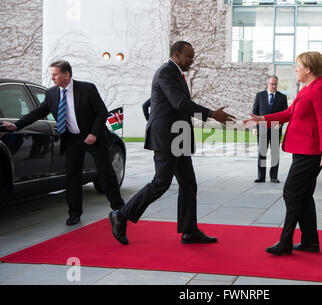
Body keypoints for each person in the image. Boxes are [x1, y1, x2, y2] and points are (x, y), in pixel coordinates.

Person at [109, 41, 235, 245]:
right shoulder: (166, 72)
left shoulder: (174, 73)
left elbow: (152, 104)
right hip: (168, 138)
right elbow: (180, 103)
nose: (192, 61)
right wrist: (212, 113)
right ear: (176, 55)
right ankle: (121, 216)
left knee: (188, 184)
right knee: (161, 183)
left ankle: (189, 230)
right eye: (189, 57)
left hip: (179, 136)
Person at [1, 60, 125, 226]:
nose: (52, 77)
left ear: (66, 75)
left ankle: (120, 210)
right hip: (73, 139)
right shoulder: (52, 93)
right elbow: (38, 112)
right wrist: (16, 125)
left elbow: (102, 113)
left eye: (55, 74)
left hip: (94, 137)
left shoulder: (87, 89)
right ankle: (74, 214)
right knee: (72, 177)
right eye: (51, 74)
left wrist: (93, 134)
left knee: (106, 174)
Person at [244, 51, 322, 256]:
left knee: (291, 192)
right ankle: (310, 241)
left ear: (308, 68)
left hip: (311, 152)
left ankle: (286, 241)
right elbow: (289, 113)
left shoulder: (320, 89)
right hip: (302, 150)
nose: (296, 69)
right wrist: (262, 119)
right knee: (303, 195)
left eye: (298, 65)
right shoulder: (307, 88)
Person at [252, 76, 288, 183]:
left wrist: (281, 123)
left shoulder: (282, 97)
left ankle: (273, 177)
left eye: (276, 84)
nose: (274, 86)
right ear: (267, 84)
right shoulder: (260, 95)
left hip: (276, 128)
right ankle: (261, 177)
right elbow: (255, 112)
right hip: (262, 128)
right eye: (272, 84)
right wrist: (255, 127)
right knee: (262, 153)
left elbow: (285, 114)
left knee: (275, 153)